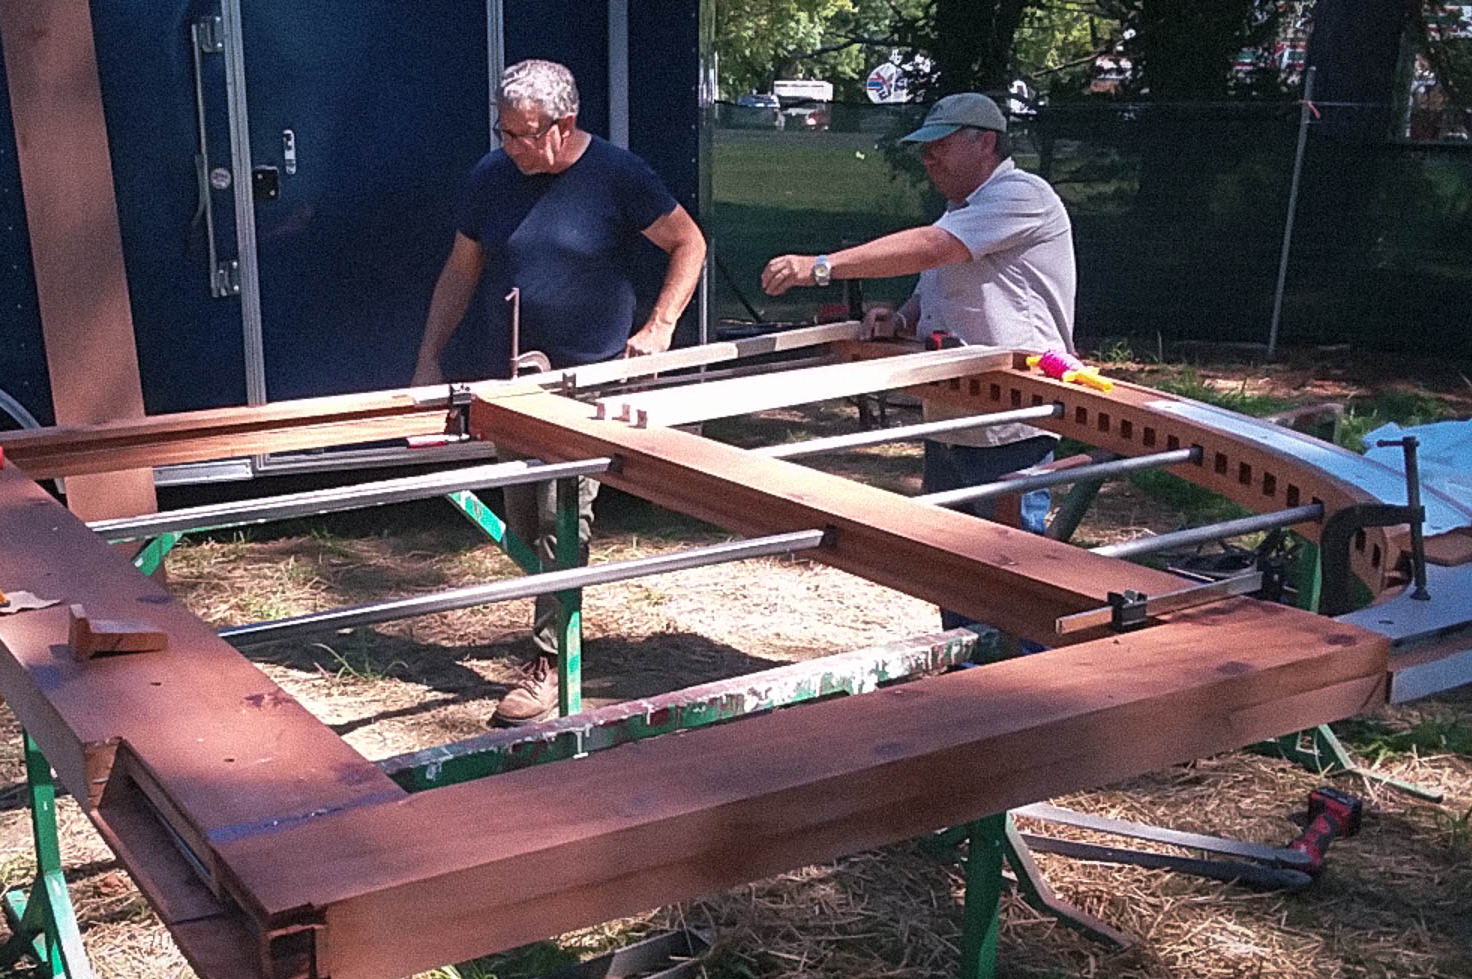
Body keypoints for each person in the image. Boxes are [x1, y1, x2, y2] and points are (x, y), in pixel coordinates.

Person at [413, 59, 706, 725]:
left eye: (521, 134)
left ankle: (549, 661)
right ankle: (554, 625)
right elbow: (460, 272)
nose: (509, 146)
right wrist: (428, 358)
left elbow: (688, 243)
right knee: (523, 524)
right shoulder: (491, 179)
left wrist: (659, 328)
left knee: (558, 519)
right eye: (503, 132)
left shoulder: (618, 176)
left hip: (587, 387)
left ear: (563, 124)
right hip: (512, 385)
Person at [761, 92, 1073, 539]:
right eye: (926, 149)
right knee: (948, 568)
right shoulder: (961, 209)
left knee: (1006, 572)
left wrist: (822, 266)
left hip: (1010, 423)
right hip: (954, 414)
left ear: (985, 143)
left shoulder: (1022, 194)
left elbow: (934, 247)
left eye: (940, 146)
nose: (928, 159)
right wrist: (902, 319)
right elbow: (940, 279)